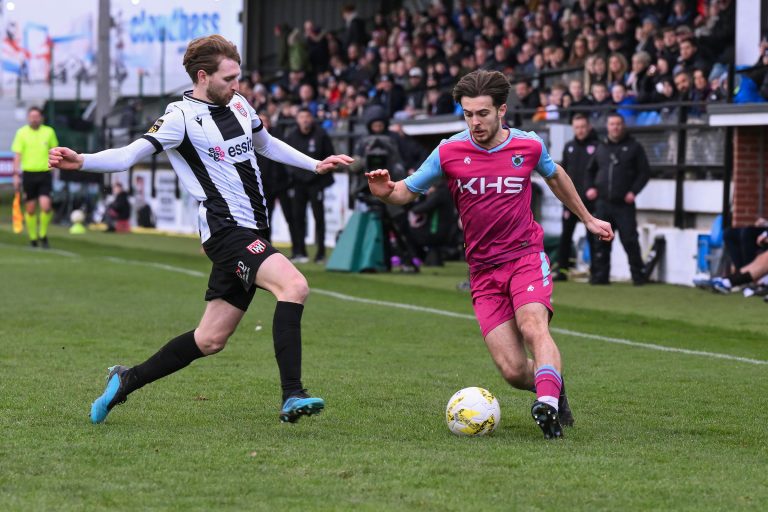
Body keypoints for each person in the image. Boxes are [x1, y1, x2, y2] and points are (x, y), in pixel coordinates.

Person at [48, 35, 353, 425]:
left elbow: (266, 143)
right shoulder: (179, 118)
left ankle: (125, 380)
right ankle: (293, 394)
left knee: (210, 339)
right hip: (225, 231)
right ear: (203, 76)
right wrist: (83, 160)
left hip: (253, 229)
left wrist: (314, 164)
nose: (237, 85)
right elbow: (128, 155)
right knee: (293, 286)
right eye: (229, 78)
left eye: (238, 77)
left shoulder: (239, 104)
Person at [366, 70, 614, 439]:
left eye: (482, 113)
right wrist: (384, 190)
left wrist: (588, 218)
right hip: (482, 272)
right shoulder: (449, 151)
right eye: (467, 114)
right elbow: (405, 191)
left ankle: (545, 406)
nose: (474, 122)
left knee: (534, 326)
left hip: (525, 256)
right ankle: (552, 386)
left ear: (501, 110)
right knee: (513, 371)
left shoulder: (528, 146)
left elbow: (556, 175)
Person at [586, 112, 651, 285]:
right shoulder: (601, 147)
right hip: (603, 203)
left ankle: (639, 277)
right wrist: (591, 187)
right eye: (612, 124)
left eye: (618, 124)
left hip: (624, 204)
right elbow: (590, 171)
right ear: (607, 127)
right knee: (600, 241)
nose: (615, 127)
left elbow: (644, 172)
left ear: (623, 126)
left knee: (630, 240)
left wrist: (634, 191)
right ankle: (600, 277)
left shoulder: (634, 147)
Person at [283, 108, 336, 263]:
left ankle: (320, 253)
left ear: (311, 119)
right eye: (301, 117)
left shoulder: (321, 135)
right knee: (298, 217)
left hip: (316, 183)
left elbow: (330, 156)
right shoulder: (292, 136)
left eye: (307, 116)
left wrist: (321, 176)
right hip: (298, 183)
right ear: (297, 119)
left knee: (319, 218)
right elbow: (286, 159)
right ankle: (300, 252)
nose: (305, 119)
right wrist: (294, 176)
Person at [554, 114, 599, 281]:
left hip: (590, 201)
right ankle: (563, 270)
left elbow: (600, 172)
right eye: (577, 127)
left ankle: (596, 271)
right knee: (566, 235)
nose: (580, 130)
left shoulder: (597, 146)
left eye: (582, 127)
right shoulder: (569, 147)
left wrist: (595, 188)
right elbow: (562, 173)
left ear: (588, 127)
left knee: (592, 236)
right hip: (570, 201)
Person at [12, 106, 59, 248]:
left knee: (46, 206)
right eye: (32, 116)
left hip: (44, 174)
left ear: (41, 118)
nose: (34, 118)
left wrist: (54, 168)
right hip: (29, 174)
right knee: (31, 209)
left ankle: (43, 234)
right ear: (28, 118)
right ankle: (33, 238)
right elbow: (18, 155)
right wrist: (15, 175)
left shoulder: (49, 131)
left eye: (36, 116)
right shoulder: (21, 133)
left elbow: (54, 150)